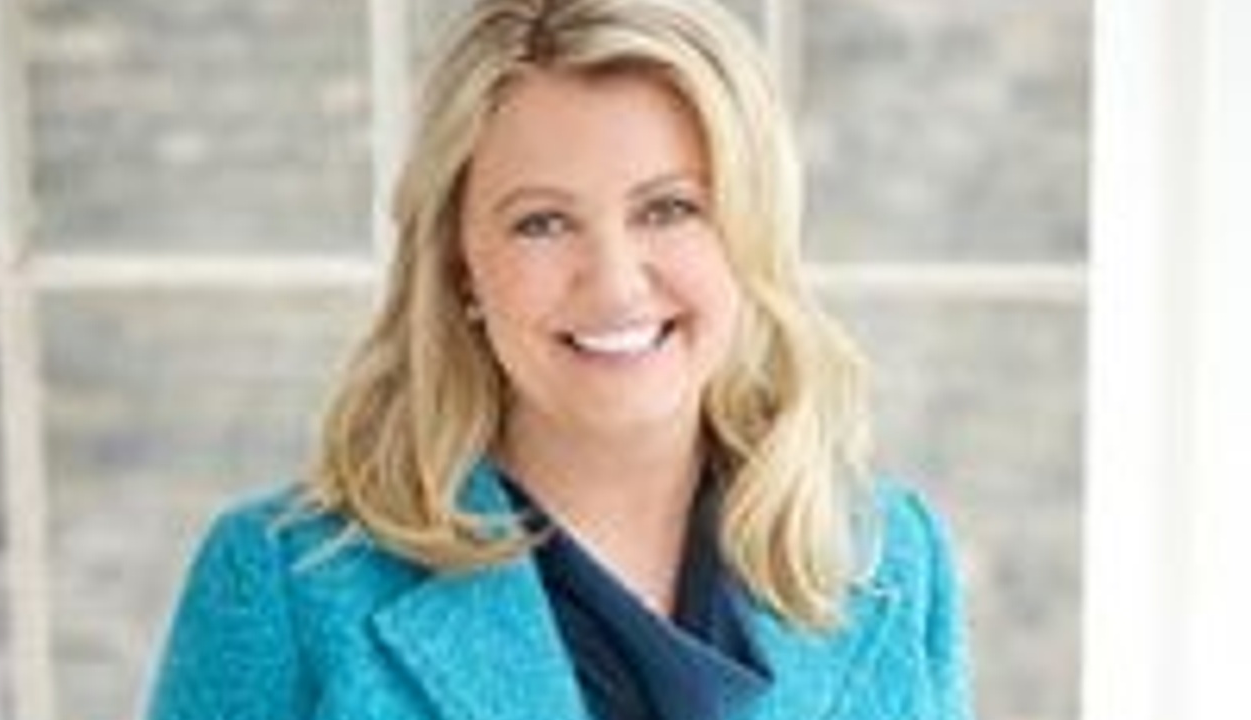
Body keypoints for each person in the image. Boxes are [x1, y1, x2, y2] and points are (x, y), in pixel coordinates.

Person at [148, 0, 973, 718]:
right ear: (459, 264)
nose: (614, 284)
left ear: (750, 228)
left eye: (669, 208)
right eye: (541, 222)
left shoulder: (889, 558)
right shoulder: (285, 583)